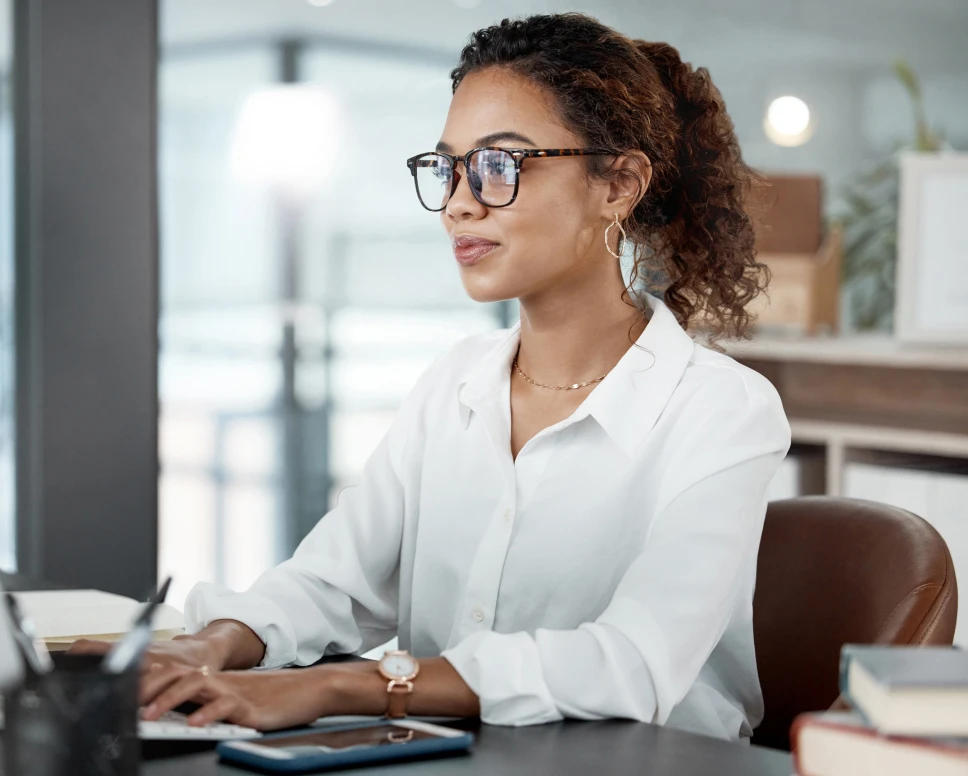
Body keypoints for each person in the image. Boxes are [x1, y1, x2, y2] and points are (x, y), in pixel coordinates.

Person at [75, 12, 791, 741]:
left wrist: (336, 687)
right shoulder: (456, 383)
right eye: (448, 166)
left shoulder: (722, 409)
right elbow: (334, 581)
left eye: (499, 166)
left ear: (619, 184)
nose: (457, 202)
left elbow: (633, 662)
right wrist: (206, 647)